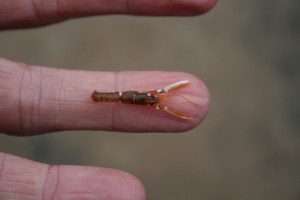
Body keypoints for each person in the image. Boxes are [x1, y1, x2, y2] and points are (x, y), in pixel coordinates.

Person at [0, 1, 216, 199]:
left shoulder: (154, 99)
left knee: (154, 97)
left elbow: (158, 98)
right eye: (153, 99)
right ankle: (100, 96)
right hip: (117, 97)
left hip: (121, 97)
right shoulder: (154, 100)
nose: (154, 98)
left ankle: (102, 96)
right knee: (154, 98)